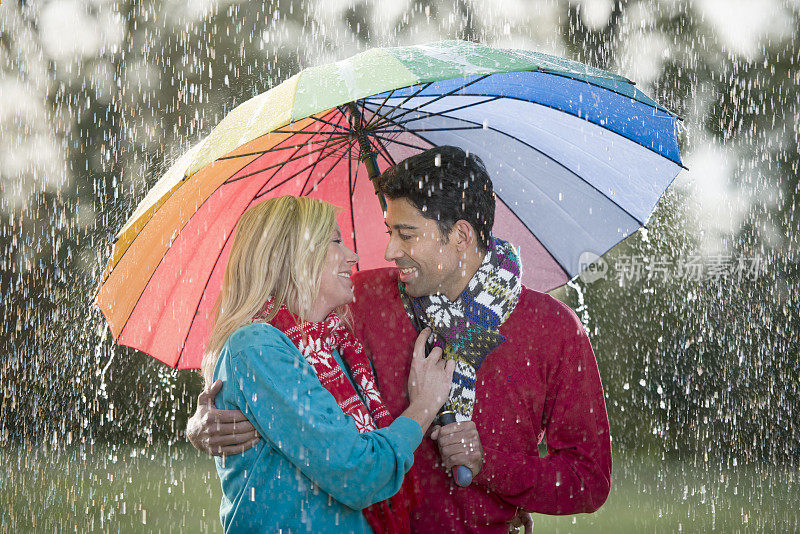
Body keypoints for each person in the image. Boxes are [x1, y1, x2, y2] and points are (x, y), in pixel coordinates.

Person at [188, 147, 612, 532]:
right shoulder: (363, 300)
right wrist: (207, 420)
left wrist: (495, 469)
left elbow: (589, 482)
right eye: (390, 231)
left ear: (461, 237)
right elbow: (269, 347)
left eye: (406, 235)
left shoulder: (551, 330)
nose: (389, 251)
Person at [200, 195, 455, 533]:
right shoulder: (256, 347)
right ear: (292, 256)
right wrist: (423, 407)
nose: (353, 256)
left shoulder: (335, 344)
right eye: (335, 241)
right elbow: (357, 472)